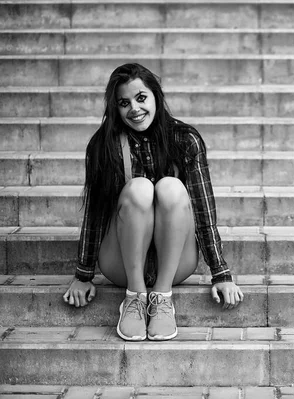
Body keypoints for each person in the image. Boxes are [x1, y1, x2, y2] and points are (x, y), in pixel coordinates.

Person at [62, 63, 244, 341]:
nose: (134, 108)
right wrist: (83, 274)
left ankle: (161, 298)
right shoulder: (104, 145)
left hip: (175, 265)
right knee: (139, 189)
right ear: (116, 108)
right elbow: (96, 214)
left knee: (170, 187)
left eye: (141, 98)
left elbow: (204, 212)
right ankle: (134, 298)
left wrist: (221, 273)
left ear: (156, 96)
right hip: (120, 263)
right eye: (124, 103)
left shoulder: (186, 140)